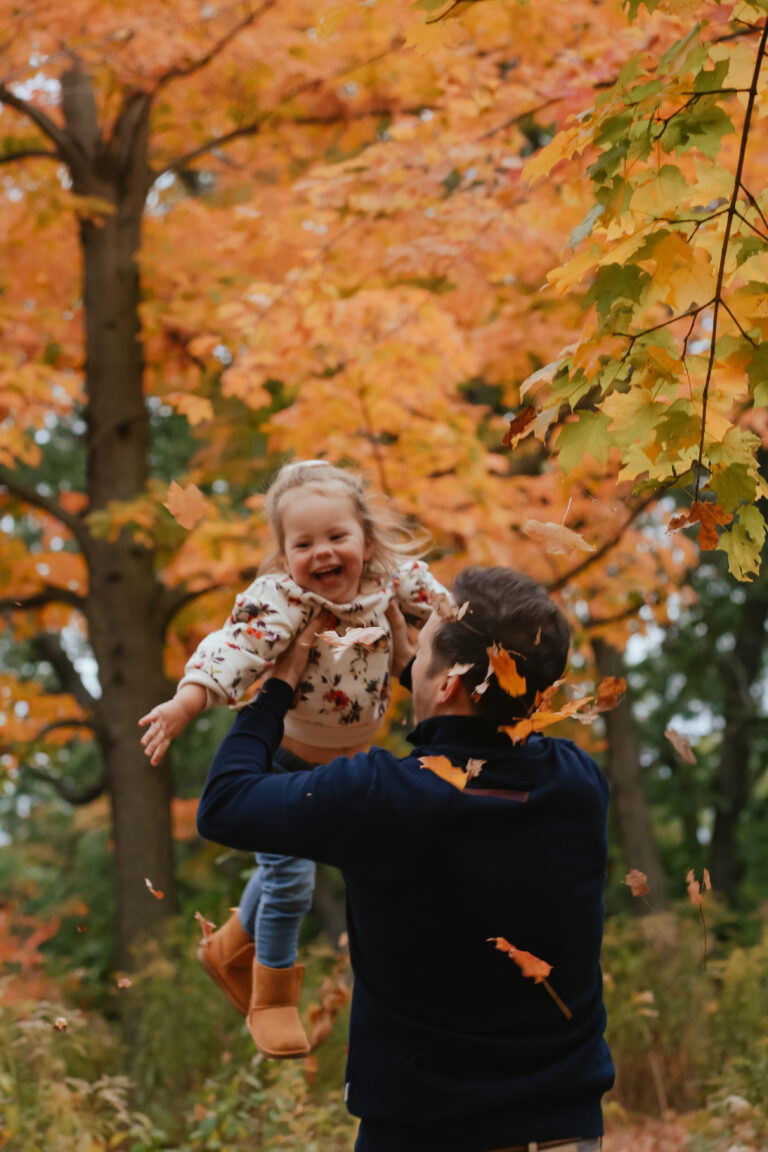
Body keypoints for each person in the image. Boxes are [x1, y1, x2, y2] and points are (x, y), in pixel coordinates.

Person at [196, 565, 615, 1152]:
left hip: (424, 1133)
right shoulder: (578, 784)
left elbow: (223, 804)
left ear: (448, 684)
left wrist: (277, 688)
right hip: (563, 1132)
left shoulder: (375, 797)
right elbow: (479, 744)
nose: (412, 654)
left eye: (424, 646)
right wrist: (425, 668)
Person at [139, 459, 447, 1059]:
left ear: (364, 536)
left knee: (281, 870)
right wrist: (186, 701)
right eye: (302, 544)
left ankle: (229, 944)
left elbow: (449, 609)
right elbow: (232, 648)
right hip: (282, 765)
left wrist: (480, 637)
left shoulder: (390, 581)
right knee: (290, 881)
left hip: (346, 766)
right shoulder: (282, 602)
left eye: (336, 537)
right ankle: (271, 997)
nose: (322, 554)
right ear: (284, 555)